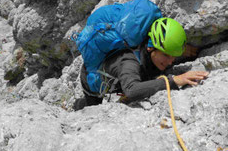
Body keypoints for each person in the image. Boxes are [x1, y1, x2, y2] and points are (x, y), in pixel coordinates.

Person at [74, 17, 209, 110]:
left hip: (125, 73)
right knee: (92, 109)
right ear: (150, 47)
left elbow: (166, 54)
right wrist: (174, 81)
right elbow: (132, 90)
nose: (170, 61)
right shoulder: (129, 62)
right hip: (91, 81)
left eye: (173, 56)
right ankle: (77, 105)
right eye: (166, 55)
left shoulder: (153, 51)